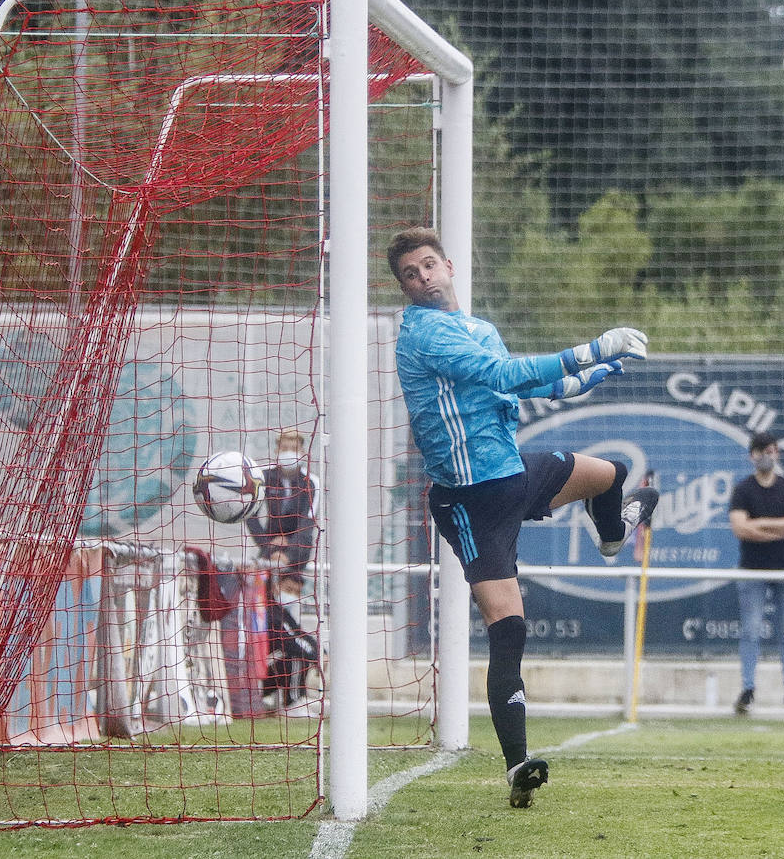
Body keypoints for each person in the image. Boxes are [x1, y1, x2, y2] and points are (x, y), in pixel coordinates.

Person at [387, 226, 656, 809]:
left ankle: (612, 535)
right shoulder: (421, 335)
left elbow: (528, 391)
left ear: (450, 265)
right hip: (469, 499)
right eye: (411, 273)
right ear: (405, 287)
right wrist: (593, 348)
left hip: (511, 474)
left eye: (429, 264)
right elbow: (503, 376)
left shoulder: (479, 329)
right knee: (508, 629)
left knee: (609, 473)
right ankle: (517, 768)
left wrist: (597, 373)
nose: (423, 277)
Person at [730, 430, 784, 715]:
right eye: (762, 451)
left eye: (772, 450)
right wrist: (780, 526)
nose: (768, 456)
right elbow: (740, 528)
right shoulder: (743, 490)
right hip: (752, 571)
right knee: (751, 630)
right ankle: (748, 688)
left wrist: (760, 525)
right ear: (752, 455)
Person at [246, 429, 321, 716]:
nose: (289, 450)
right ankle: (281, 697)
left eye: (294, 446)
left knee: (293, 635)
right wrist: (268, 547)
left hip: (294, 565)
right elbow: (250, 514)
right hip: (268, 565)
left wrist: (289, 555)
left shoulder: (309, 483)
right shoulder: (264, 479)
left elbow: (307, 525)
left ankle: (293, 696)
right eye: (284, 446)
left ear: (301, 449)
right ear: (278, 448)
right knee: (279, 635)